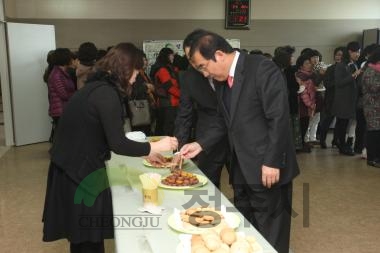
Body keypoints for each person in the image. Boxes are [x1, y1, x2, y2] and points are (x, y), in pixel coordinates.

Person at [42, 42, 178, 253]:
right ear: (124, 68)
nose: (137, 76)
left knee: (85, 238)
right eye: (136, 70)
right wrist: (154, 147)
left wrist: (147, 153)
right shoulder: (106, 93)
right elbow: (118, 143)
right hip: (76, 171)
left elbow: (103, 135)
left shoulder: (97, 88)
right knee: (86, 238)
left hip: (73, 165)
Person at [181, 30, 300, 253]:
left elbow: (279, 117)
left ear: (218, 54)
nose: (204, 74)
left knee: (272, 233)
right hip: (242, 169)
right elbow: (225, 121)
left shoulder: (261, 68)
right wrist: (200, 144)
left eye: (203, 66)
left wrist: (272, 161)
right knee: (246, 233)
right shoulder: (223, 80)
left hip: (268, 169)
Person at [174, 29, 230, 189]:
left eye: (195, 57)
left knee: (244, 187)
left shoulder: (230, 68)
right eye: (189, 58)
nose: (194, 63)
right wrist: (179, 150)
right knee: (207, 185)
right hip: (207, 137)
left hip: (237, 136)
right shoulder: (189, 77)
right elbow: (184, 115)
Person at [150, 47, 180, 136]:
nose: (173, 57)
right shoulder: (162, 70)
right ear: (166, 56)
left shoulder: (170, 69)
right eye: (171, 55)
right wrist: (182, 95)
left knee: (168, 129)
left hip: (171, 104)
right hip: (167, 104)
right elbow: (169, 87)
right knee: (166, 130)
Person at [362, 48, 380, 167]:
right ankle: (372, 158)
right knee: (373, 132)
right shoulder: (370, 70)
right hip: (372, 107)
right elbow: (373, 87)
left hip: (377, 106)